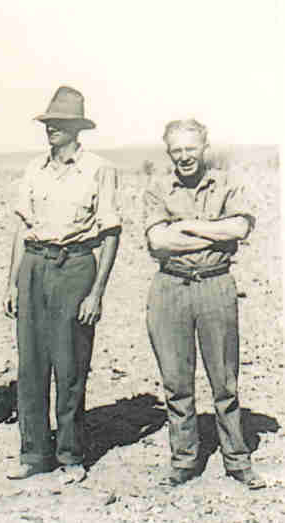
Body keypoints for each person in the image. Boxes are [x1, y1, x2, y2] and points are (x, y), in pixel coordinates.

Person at [2, 86, 121, 484]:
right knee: (31, 365)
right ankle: (34, 453)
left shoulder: (99, 169)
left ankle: (71, 454)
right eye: (49, 122)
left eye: (60, 123)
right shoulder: (34, 169)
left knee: (70, 365)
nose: (51, 128)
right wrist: (12, 283)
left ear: (77, 128)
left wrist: (96, 292)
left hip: (75, 267)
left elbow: (110, 233)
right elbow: (22, 229)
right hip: (34, 265)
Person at [143, 119, 265, 489]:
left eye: (190, 148)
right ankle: (184, 460)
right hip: (170, 288)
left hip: (215, 286)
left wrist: (184, 226)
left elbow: (240, 228)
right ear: (169, 152)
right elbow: (158, 241)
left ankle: (237, 459)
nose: (184, 157)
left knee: (224, 381)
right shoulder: (157, 188)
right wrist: (214, 231)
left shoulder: (227, 184)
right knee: (176, 382)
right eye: (177, 150)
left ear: (204, 148)